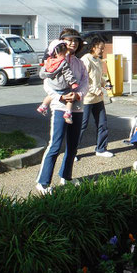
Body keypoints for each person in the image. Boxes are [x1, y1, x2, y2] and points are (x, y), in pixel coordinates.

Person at [36, 28, 88, 194]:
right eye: (69, 40)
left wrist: (78, 95)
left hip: (77, 108)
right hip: (59, 108)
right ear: (61, 42)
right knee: (55, 145)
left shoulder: (80, 63)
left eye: (76, 40)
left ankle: (66, 177)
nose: (73, 43)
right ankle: (42, 182)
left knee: (73, 146)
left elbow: (85, 82)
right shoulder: (53, 61)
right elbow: (47, 85)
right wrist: (60, 98)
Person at [78, 36, 113, 158]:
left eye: (103, 48)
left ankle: (101, 149)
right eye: (101, 48)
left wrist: (105, 83)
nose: (103, 50)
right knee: (82, 125)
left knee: (102, 123)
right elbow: (83, 80)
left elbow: (97, 78)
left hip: (98, 99)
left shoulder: (98, 60)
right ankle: (72, 151)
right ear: (93, 47)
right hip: (87, 99)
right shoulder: (86, 60)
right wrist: (94, 90)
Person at [37, 39, 79, 124]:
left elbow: (42, 74)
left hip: (52, 85)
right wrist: (73, 83)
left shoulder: (49, 61)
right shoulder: (63, 62)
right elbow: (68, 73)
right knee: (70, 99)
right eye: (63, 53)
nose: (64, 55)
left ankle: (43, 106)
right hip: (62, 86)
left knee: (50, 95)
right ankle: (68, 113)